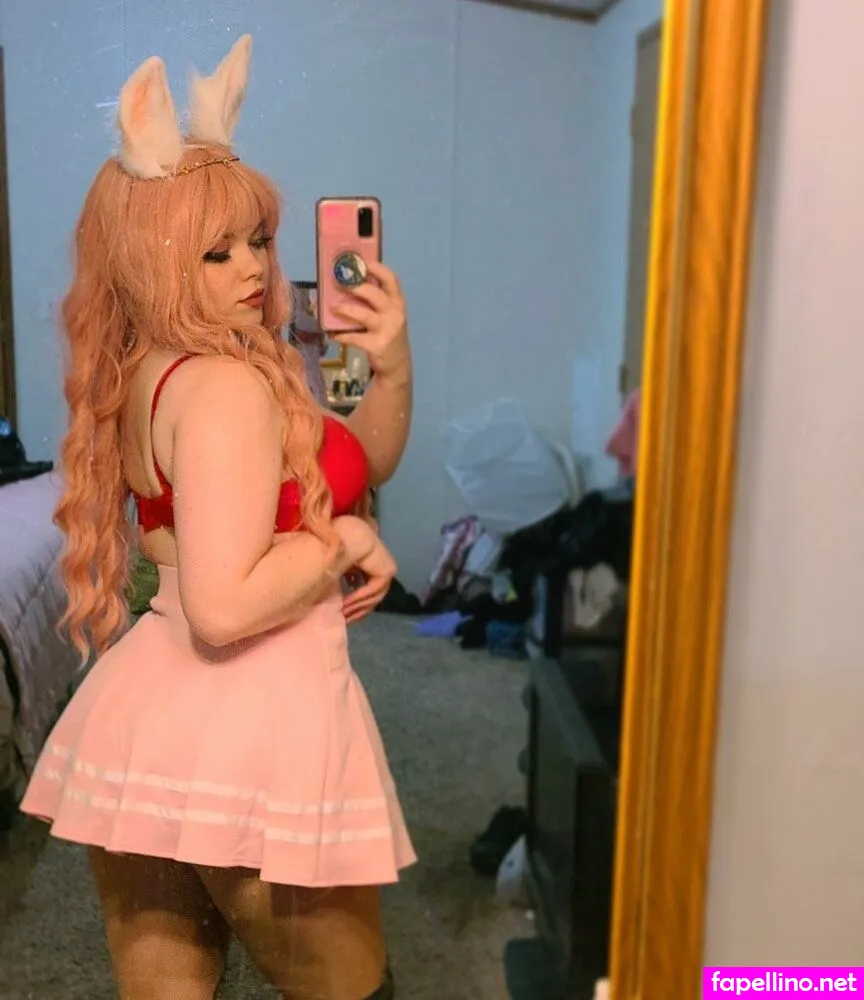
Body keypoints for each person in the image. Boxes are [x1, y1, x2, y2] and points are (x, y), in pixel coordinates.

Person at [20, 36, 415, 1000]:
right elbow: (227, 605)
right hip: (257, 719)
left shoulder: (160, 372)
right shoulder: (229, 388)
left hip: (154, 717)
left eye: (258, 242)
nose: (251, 269)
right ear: (153, 258)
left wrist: (393, 364)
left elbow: (356, 462)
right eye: (216, 250)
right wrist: (345, 541)